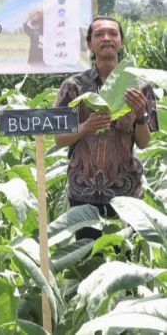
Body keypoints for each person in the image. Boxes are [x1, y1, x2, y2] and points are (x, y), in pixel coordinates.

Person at [54, 16, 158, 240]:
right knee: (86, 258)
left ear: (121, 42)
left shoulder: (140, 86)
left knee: (124, 261)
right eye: (99, 34)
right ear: (89, 44)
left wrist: (140, 115)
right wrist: (85, 128)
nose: (107, 38)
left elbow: (144, 141)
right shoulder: (74, 86)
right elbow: (59, 139)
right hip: (83, 191)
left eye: (113, 34)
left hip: (126, 191)